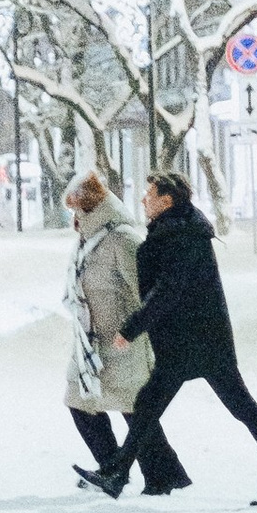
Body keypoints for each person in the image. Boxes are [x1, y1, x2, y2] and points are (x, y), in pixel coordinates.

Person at [116, 171, 257, 507]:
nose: (143, 199)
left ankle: (117, 473)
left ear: (166, 201)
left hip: (194, 340)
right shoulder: (177, 230)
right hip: (197, 338)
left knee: (229, 407)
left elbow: (167, 291)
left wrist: (131, 328)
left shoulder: (180, 235)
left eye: (149, 194)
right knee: (153, 405)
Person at [60, 173, 157, 493]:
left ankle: (161, 474)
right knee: (80, 401)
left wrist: (135, 330)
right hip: (91, 341)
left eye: (76, 210)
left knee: (133, 410)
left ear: (90, 207)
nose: (74, 217)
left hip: (123, 341)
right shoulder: (89, 239)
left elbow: (146, 292)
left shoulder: (121, 238)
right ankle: (113, 467)